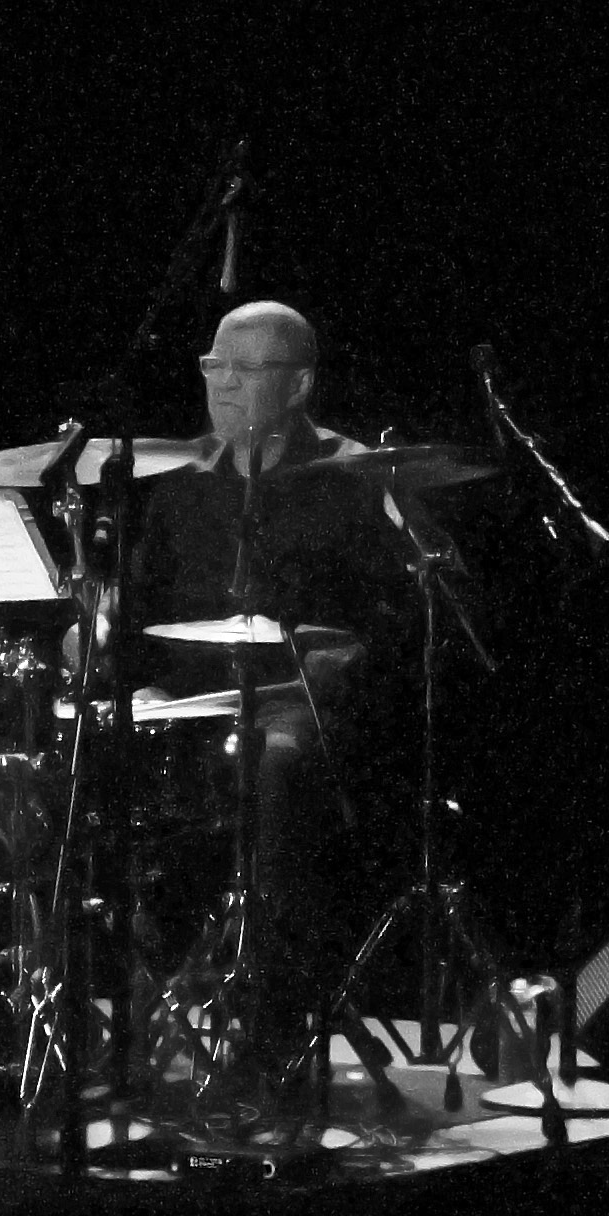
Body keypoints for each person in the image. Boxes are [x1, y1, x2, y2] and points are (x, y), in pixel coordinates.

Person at [119, 302, 422, 1098]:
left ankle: (273, 1022)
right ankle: (106, 1008)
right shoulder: (179, 484)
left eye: (246, 369)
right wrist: (107, 653)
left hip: (305, 709)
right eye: (213, 365)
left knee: (278, 759)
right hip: (190, 704)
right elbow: (140, 618)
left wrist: (351, 656)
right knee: (72, 744)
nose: (222, 382)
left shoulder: (356, 479)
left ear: (299, 384)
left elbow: (410, 621)